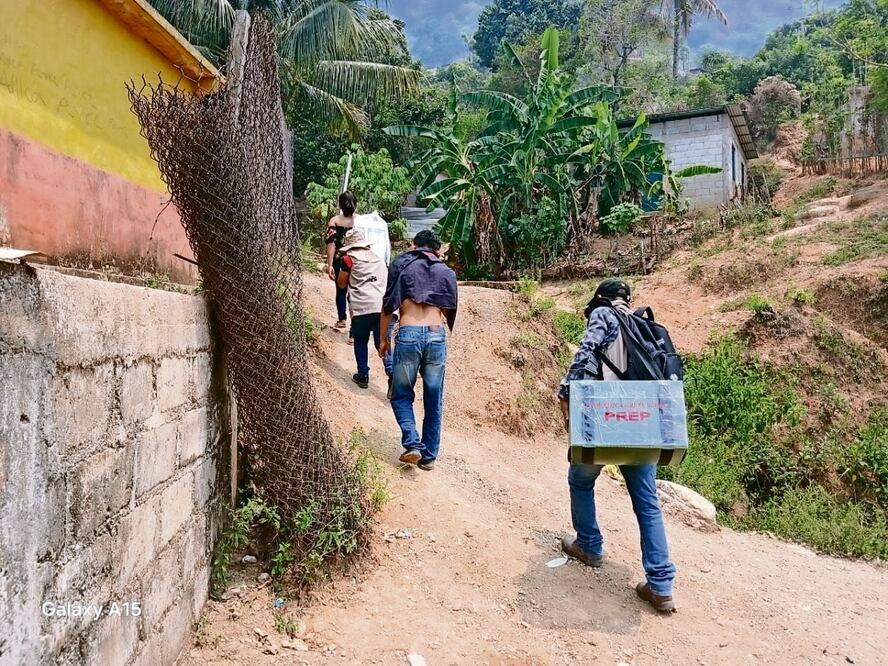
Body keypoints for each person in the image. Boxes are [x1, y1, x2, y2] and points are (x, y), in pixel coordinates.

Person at [556, 279, 678, 613]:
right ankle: (661, 585)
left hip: (607, 420)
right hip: (644, 425)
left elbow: (583, 357)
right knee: (647, 502)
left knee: (580, 480)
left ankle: (590, 545)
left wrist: (565, 395)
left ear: (601, 299)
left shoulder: (604, 316)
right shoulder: (644, 324)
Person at [379, 230, 457, 472]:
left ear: (414, 245)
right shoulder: (445, 271)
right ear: (436, 250)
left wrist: (383, 339)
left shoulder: (402, 265)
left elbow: (387, 307)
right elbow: (449, 308)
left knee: (401, 393)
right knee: (434, 398)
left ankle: (412, 443)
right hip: (436, 334)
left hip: (409, 332)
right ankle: (429, 456)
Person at [336, 229, 391, 388]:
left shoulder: (348, 259)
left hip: (362, 306)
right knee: (382, 341)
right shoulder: (378, 259)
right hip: (382, 307)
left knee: (360, 340)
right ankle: (392, 375)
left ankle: (363, 375)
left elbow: (341, 283)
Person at [325, 191, 357, 329]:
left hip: (341, 260)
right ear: (356, 204)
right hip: (358, 261)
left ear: (340, 205)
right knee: (356, 292)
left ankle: (342, 319)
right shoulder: (361, 221)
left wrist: (330, 264)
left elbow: (331, 244)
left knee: (341, 290)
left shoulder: (334, 221)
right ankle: (355, 328)